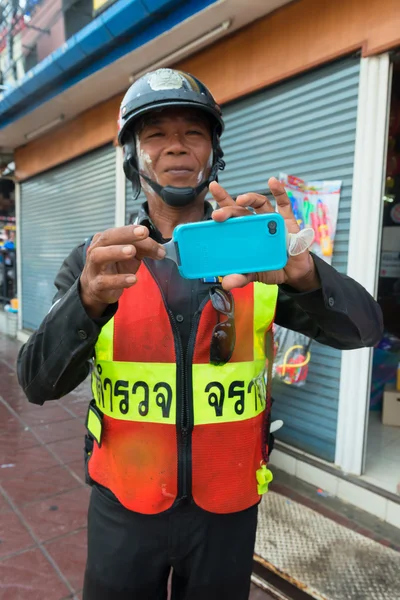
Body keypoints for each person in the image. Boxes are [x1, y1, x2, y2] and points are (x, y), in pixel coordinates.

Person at [17, 68, 383, 600]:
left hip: (226, 510)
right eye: (156, 134)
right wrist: (88, 300)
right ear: (131, 157)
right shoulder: (96, 263)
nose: (176, 149)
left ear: (213, 152)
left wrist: (306, 275)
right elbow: (36, 382)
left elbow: (364, 330)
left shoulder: (255, 259)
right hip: (126, 506)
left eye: (193, 133)